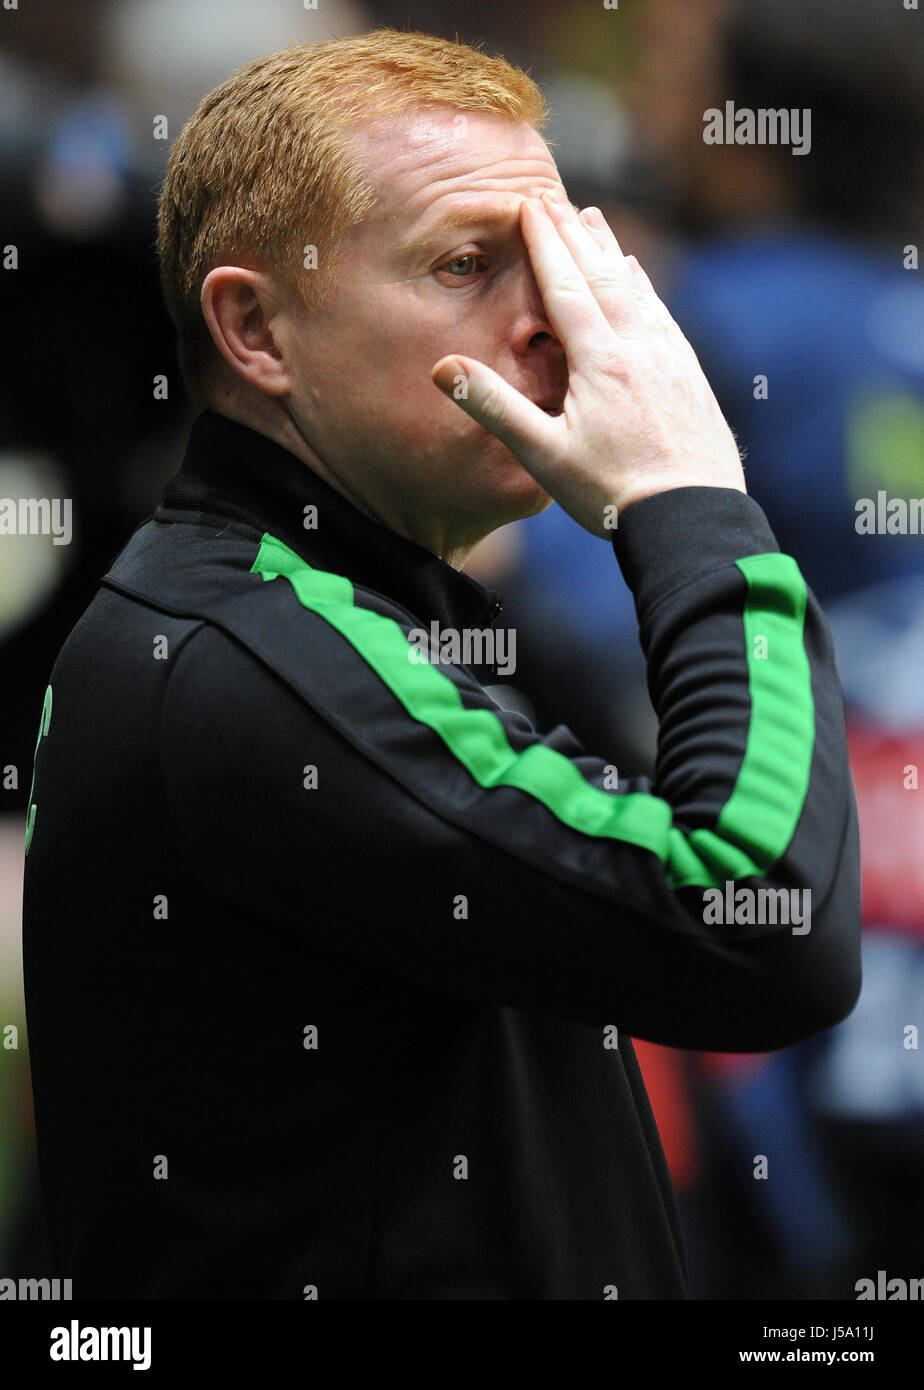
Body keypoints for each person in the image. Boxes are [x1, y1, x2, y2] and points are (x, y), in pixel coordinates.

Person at [21, 30, 861, 1300]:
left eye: (555, 262)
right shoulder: (259, 648)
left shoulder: (356, 601)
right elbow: (758, 914)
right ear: (258, 328)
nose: (548, 324)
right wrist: (693, 505)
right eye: (467, 265)